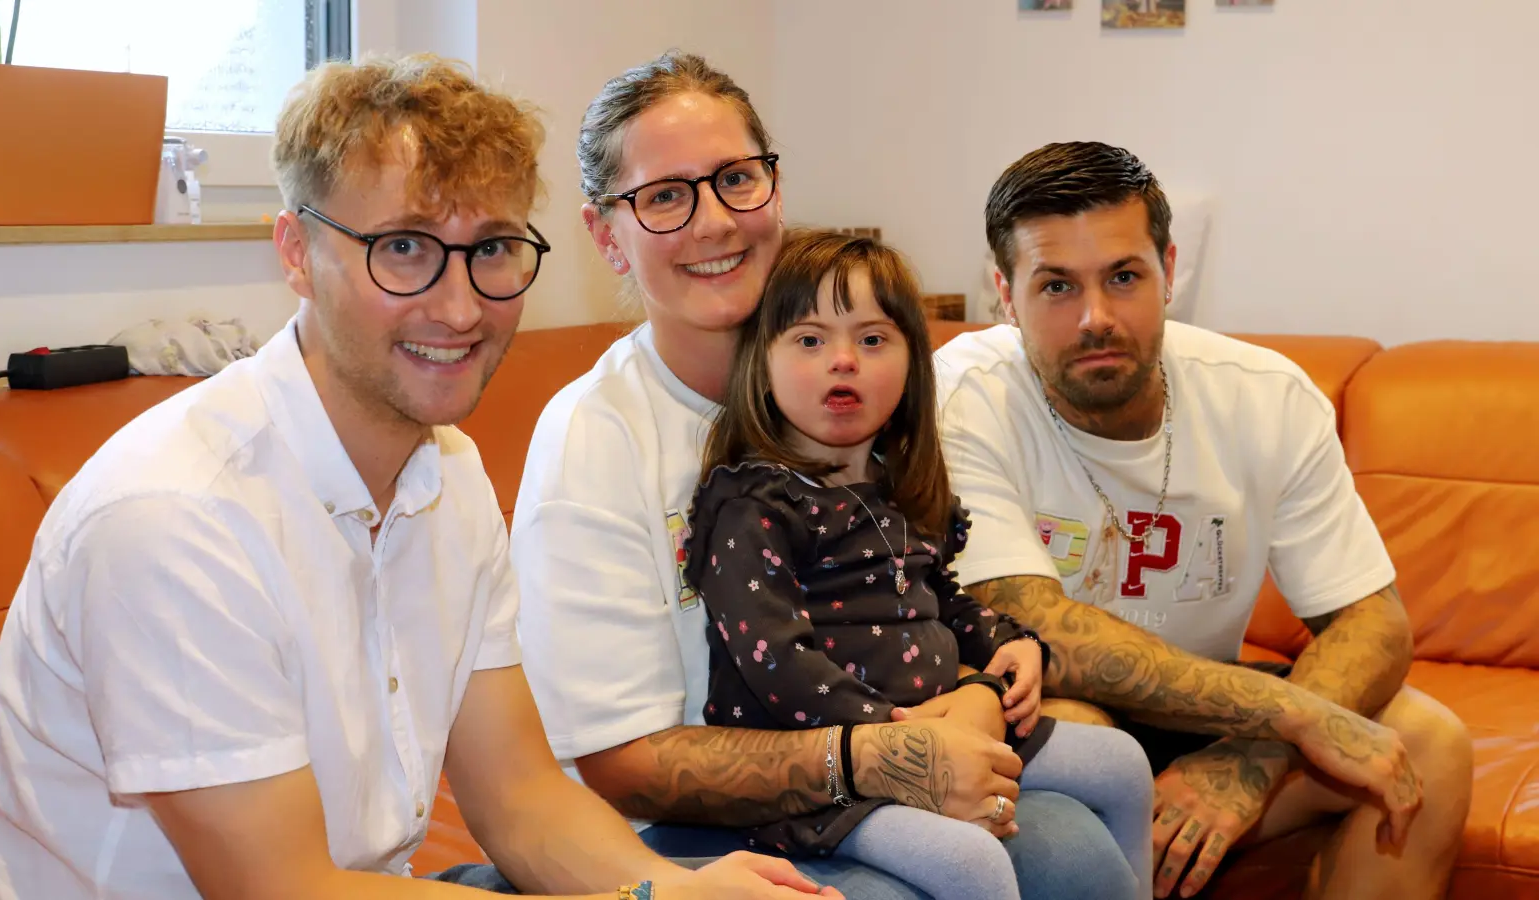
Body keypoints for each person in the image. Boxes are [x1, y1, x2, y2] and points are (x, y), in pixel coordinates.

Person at [0, 53, 838, 900]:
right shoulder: (174, 516)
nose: (460, 308)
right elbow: (283, 889)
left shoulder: (446, 472)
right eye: (405, 249)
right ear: (297, 252)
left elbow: (521, 798)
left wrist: (664, 892)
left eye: (492, 248)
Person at [510, 51, 1137, 900]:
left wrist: (984, 686)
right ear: (604, 235)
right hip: (690, 837)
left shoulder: (856, 403)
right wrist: (893, 751)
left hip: (892, 747)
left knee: (1076, 855)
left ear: (774, 186)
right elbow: (625, 767)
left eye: (737, 178)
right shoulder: (595, 440)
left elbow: (919, 593)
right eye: (663, 196)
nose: (714, 222)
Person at [934, 140, 1472, 899]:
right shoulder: (960, 398)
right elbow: (1038, 628)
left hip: (1212, 709)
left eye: (1124, 277)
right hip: (1053, 712)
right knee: (1086, 744)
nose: (1096, 318)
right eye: (1056, 286)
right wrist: (1289, 717)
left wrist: (1250, 762)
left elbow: (1372, 619)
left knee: (1432, 744)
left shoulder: (1266, 396)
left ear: (1169, 270)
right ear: (1003, 291)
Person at [681, 228, 1155, 900]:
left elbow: (939, 597)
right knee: (971, 862)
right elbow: (774, 662)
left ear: (911, 364)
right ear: (761, 361)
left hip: (942, 732)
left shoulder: (892, 484)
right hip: (825, 775)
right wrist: (904, 736)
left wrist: (1007, 641)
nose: (843, 361)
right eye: (810, 340)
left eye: (872, 340)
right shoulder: (753, 502)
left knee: (1122, 764)